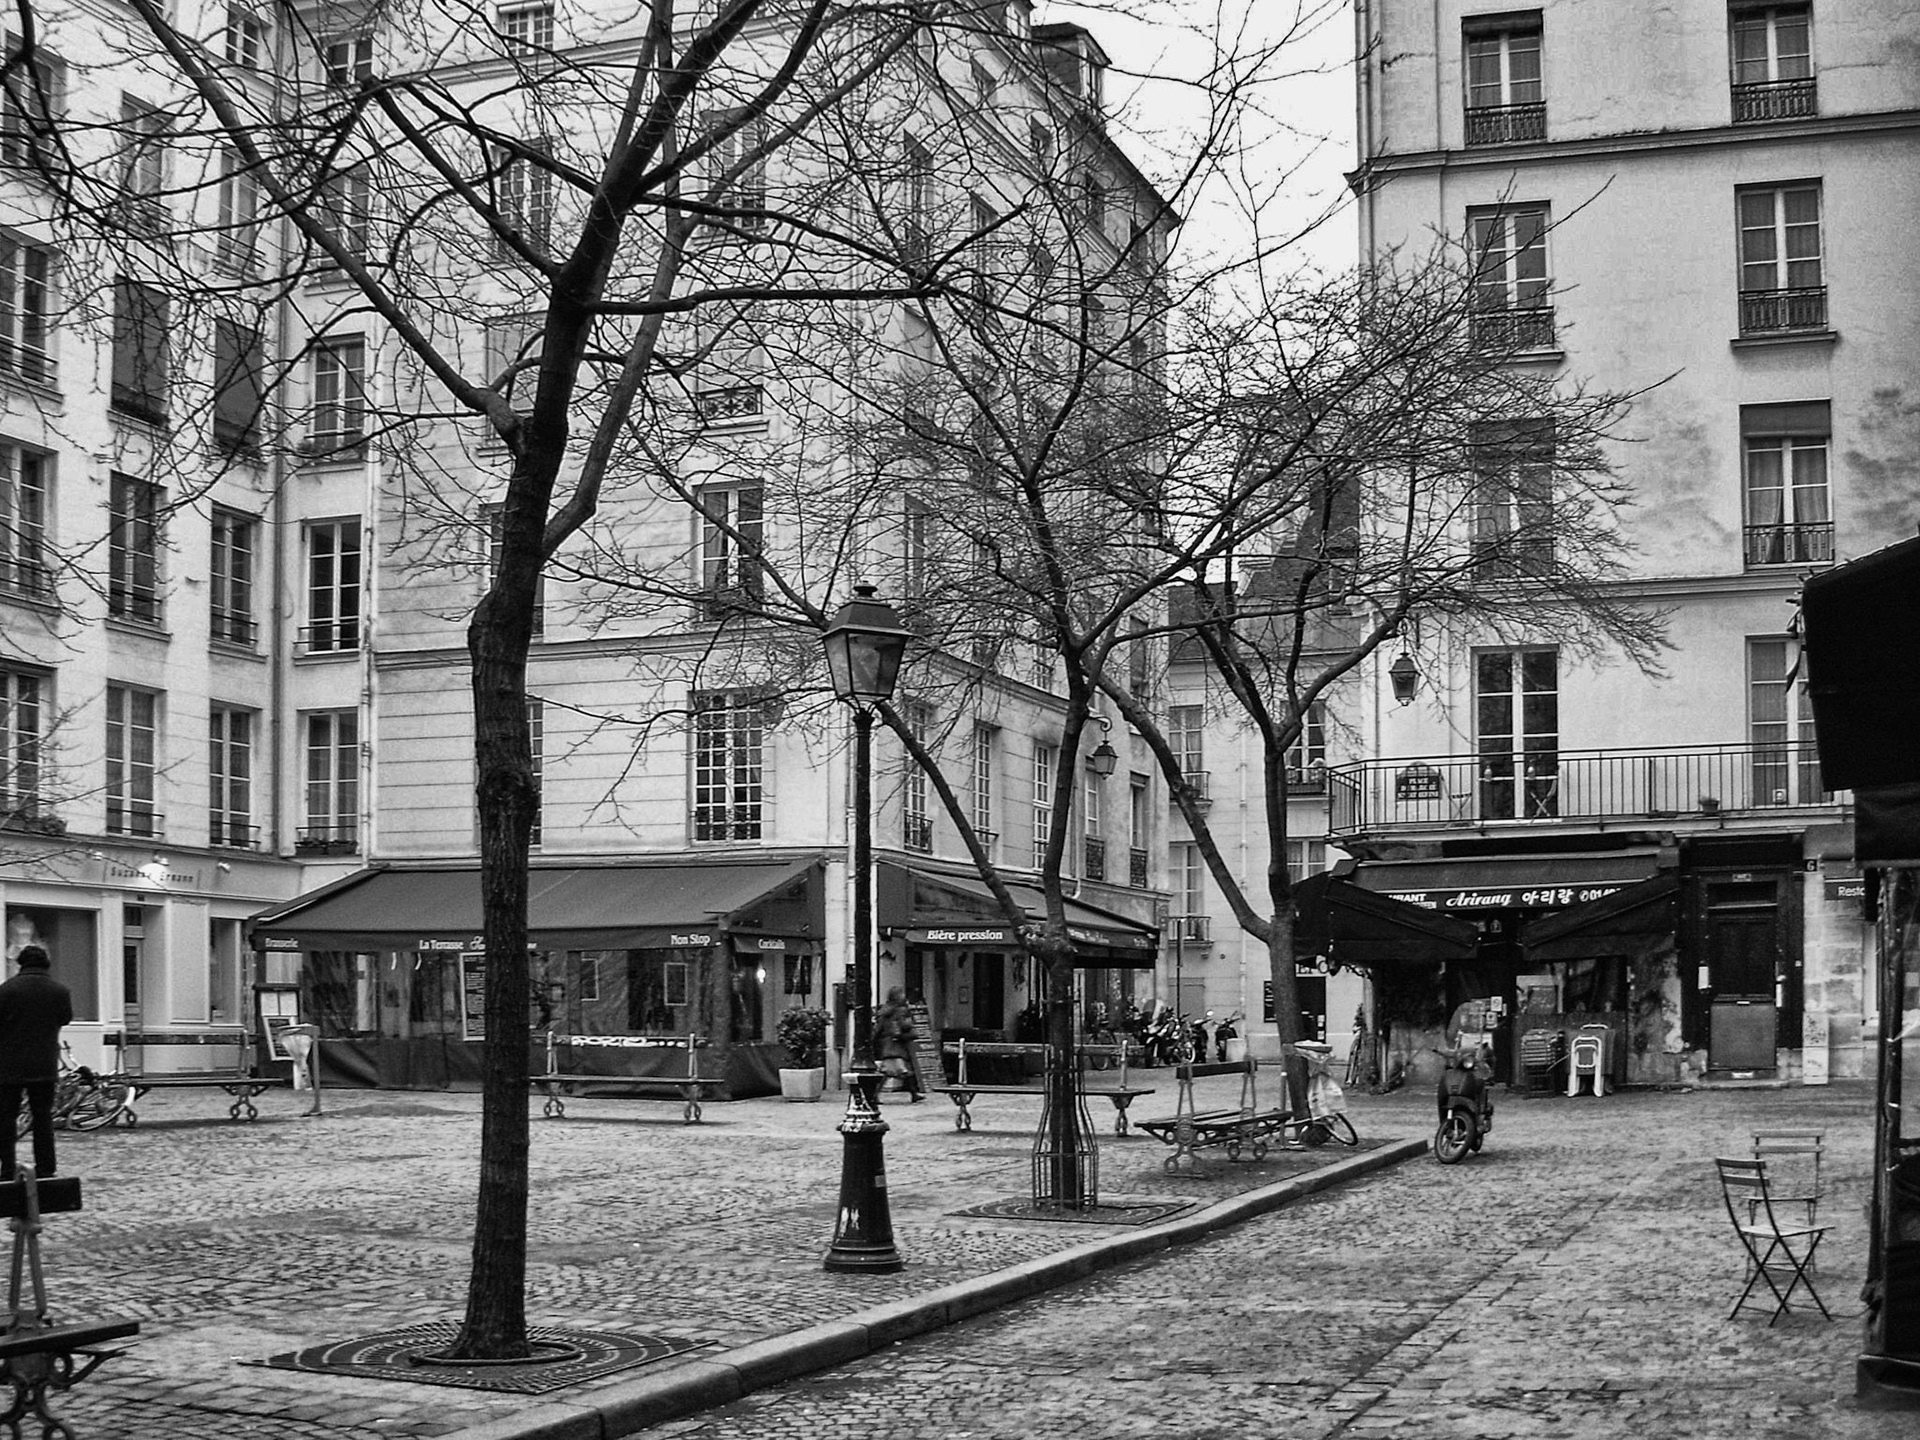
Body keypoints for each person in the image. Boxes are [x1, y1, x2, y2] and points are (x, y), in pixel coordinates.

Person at [0, 945, 74, 1182]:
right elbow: (65, 1018)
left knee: (6, 1118)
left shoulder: (6, 990)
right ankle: (46, 1167)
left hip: (9, 1064)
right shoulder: (59, 991)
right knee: (43, 1117)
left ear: (21, 964)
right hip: (44, 1064)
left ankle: (6, 1168)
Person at [874, 987, 922, 1102]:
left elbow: (878, 1029)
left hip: (888, 1044)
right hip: (897, 1045)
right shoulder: (901, 1010)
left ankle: (914, 1093)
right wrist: (910, 1023)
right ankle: (914, 1093)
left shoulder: (885, 1011)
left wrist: (875, 1040)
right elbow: (905, 1025)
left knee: (891, 1070)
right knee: (900, 1070)